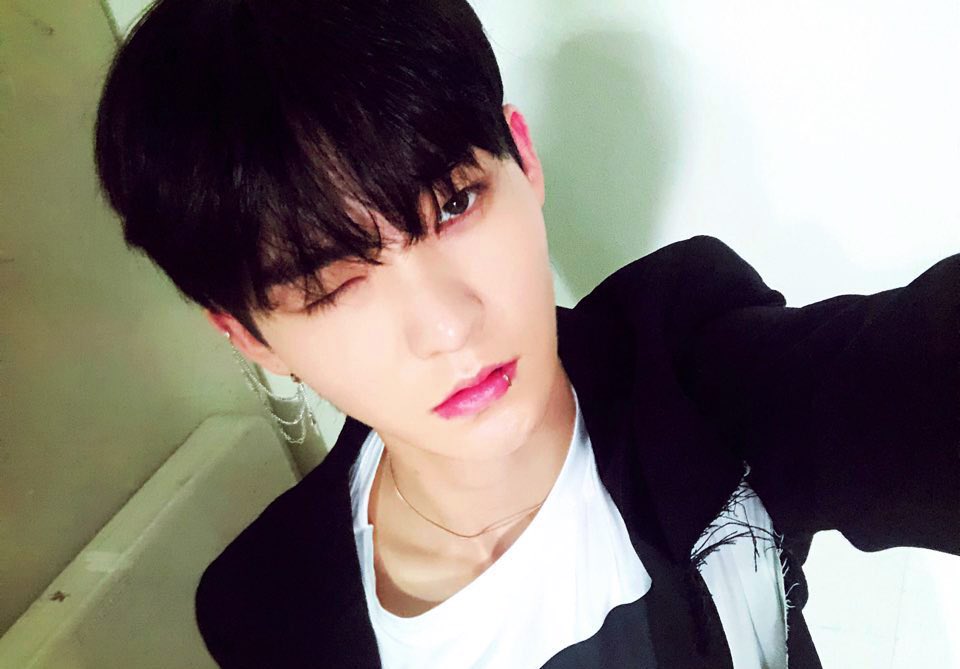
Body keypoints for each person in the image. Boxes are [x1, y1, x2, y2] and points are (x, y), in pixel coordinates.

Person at [93, 0, 959, 667]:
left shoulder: (700, 377)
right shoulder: (265, 609)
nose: (448, 325)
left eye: (455, 204)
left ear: (524, 159)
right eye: (333, 285)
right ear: (250, 339)